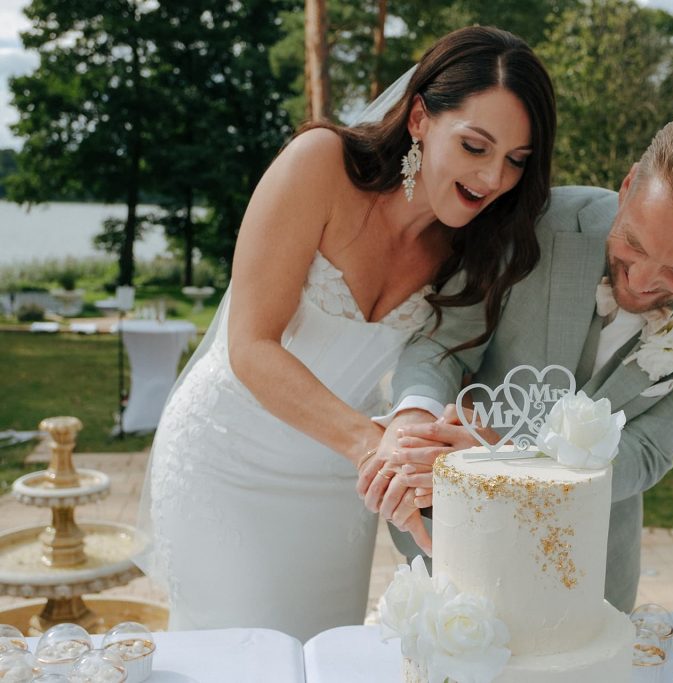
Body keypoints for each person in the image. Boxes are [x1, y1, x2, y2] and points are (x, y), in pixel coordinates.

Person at [135, 26, 556, 640]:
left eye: (516, 160)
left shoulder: (476, 249)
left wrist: (448, 448)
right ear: (420, 118)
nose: (493, 178)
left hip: (338, 486)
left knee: (323, 654)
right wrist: (370, 445)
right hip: (227, 460)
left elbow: (443, 370)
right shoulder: (320, 166)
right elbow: (251, 345)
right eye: (475, 146)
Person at [361, 112, 673, 613]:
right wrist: (414, 422)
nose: (642, 281)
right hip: (454, 533)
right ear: (628, 187)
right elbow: (442, 344)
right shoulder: (538, 221)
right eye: (634, 244)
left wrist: (509, 464)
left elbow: (647, 451)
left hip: (589, 559)